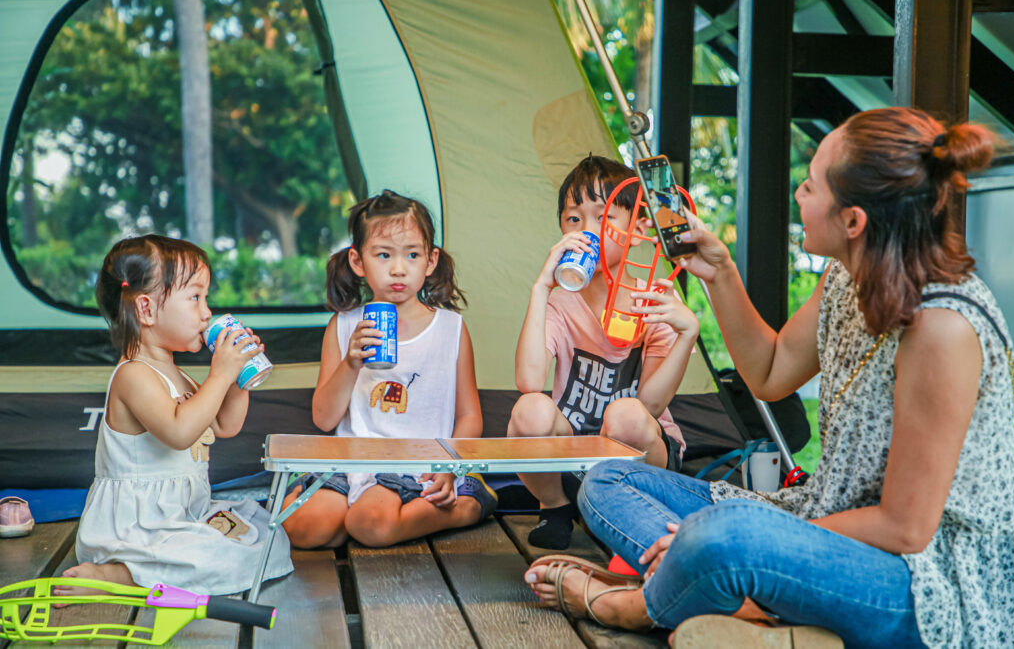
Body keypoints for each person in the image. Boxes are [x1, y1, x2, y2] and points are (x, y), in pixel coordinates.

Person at [524, 108, 1014, 647]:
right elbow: (769, 373)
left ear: (853, 221)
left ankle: (634, 606)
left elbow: (905, 529)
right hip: (821, 517)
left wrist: (733, 538)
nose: (799, 196)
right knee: (609, 479)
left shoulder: (942, 328)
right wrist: (720, 273)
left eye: (810, 186)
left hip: (928, 586)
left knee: (722, 537)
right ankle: (734, 599)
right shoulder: (845, 277)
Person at [62, 235, 293, 596]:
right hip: (140, 525)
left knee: (267, 538)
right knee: (219, 557)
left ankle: (152, 570)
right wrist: (219, 374)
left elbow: (224, 425)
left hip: (185, 513)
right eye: (195, 298)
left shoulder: (178, 373)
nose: (207, 313)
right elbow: (180, 431)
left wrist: (238, 379)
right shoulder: (134, 374)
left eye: (206, 299)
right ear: (147, 310)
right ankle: (119, 574)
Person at [281, 190, 496, 549]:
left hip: (417, 466)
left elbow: (469, 415)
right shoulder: (344, 325)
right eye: (383, 255)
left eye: (412, 255)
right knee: (303, 527)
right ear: (358, 261)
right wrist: (351, 363)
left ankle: (467, 503)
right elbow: (323, 418)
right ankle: (355, 515)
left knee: (370, 524)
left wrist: (449, 465)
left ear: (430, 261)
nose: (399, 269)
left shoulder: (449, 329)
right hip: (351, 462)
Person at [510, 155, 699, 550]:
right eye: (573, 219)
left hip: (642, 453)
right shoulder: (562, 302)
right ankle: (555, 506)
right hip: (574, 452)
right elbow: (529, 382)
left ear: (637, 226)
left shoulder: (655, 298)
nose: (587, 232)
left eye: (603, 217)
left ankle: (630, 510)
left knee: (627, 413)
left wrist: (687, 335)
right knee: (530, 410)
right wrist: (541, 289)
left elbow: (649, 402)